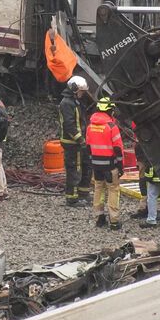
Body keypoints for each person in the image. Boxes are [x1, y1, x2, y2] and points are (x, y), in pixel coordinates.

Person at [86, 96, 124, 229]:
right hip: (110, 165)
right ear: (110, 110)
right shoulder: (111, 126)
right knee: (113, 190)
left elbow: (88, 146)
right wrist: (120, 166)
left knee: (98, 189)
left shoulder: (90, 126)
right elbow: (118, 149)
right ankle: (114, 221)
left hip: (96, 165)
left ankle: (99, 218)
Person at [58, 75, 93, 206]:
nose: (82, 94)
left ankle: (84, 193)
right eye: (81, 91)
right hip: (72, 143)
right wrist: (80, 139)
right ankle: (72, 198)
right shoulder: (66, 103)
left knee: (86, 166)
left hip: (79, 142)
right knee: (74, 169)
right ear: (74, 89)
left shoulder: (75, 102)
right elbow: (69, 125)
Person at [138, 149, 160, 228]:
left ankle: (151, 220)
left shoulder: (153, 145)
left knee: (152, 197)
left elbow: (148, 160)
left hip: (154, 176)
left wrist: (147, 176)